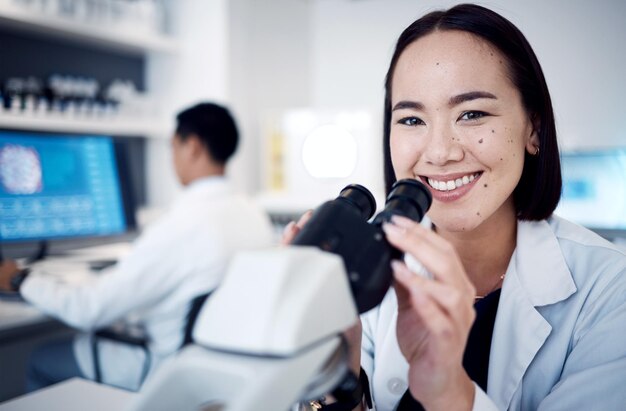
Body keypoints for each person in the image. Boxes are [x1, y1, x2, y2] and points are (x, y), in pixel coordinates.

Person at [286, 4, 626, 410]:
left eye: (472, 114)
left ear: (534, 128)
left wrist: (450, 393)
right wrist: (335, 376)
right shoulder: (372, 275)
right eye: (412, 120)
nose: (440, 152)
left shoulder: (609, 292)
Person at [0, 102, 274, 391]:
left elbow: (89, 309)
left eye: (173, 146)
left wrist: (20, 279)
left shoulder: (180, 227)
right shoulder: (251, 213)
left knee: (41, 359)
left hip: (161, 367)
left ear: (192, 147)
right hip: (217, 363)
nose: (172, 159)